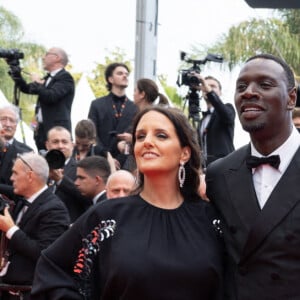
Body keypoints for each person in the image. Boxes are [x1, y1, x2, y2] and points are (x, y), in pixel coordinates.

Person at [30, 106, 224, 300]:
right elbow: (52, 268)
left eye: (161, 135)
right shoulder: (107, 217)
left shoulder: (211, 221)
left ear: (184, 153)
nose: (147, 142)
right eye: (140, 136)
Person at [205, 53, 300, 299]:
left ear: (291, 98)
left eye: (265, 85)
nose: (249, 92)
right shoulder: (218, 174)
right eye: (241, 86)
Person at [0, 152, 70, 300]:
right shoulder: (21, 200)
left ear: (30, 176)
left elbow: (45, 254)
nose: (11, 178)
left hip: (29, 294)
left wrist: (11, 230)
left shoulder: (55, 209)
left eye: (15, 173)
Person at [10, 47, 75, 151]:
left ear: (57, 58)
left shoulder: (65, 78)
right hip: (41, 132)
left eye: (47, 54)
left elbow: (51, 96)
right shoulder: (48, 78)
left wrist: (38, 83)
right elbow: (26, 89)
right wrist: (16, 75)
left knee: (57, 163)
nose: (43, 57)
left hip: (57, 133)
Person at [88, 62, 138, 168]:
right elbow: (92, 134)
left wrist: (120, 159)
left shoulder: (135, 107)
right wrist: (106, 156)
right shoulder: (96, 104)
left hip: (126, 162)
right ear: (110, 79)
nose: (125, 76)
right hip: (101, 161)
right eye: (120, 73)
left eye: (126, 74)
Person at [45, 126, 90, 222]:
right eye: (55, 142)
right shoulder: (40, 168)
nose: (60, 146)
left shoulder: (82, 169)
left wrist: (61, 180)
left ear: (72, 145)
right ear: (47, 145)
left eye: (64, 142)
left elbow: (87, 197)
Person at [195, 74, 235, 169]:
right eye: (205, 85)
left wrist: (209, 91)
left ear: (220, 92)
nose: (207, 87)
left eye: (212, 86)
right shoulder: (202, 120)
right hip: (205, 169)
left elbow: (227, 116)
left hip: (225, 167)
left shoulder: (228, 108)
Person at [0, 104, 33, 185]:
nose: (7, 124)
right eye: (3, 119)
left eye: (11, 120)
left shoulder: (26, 152)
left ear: (16, 125)